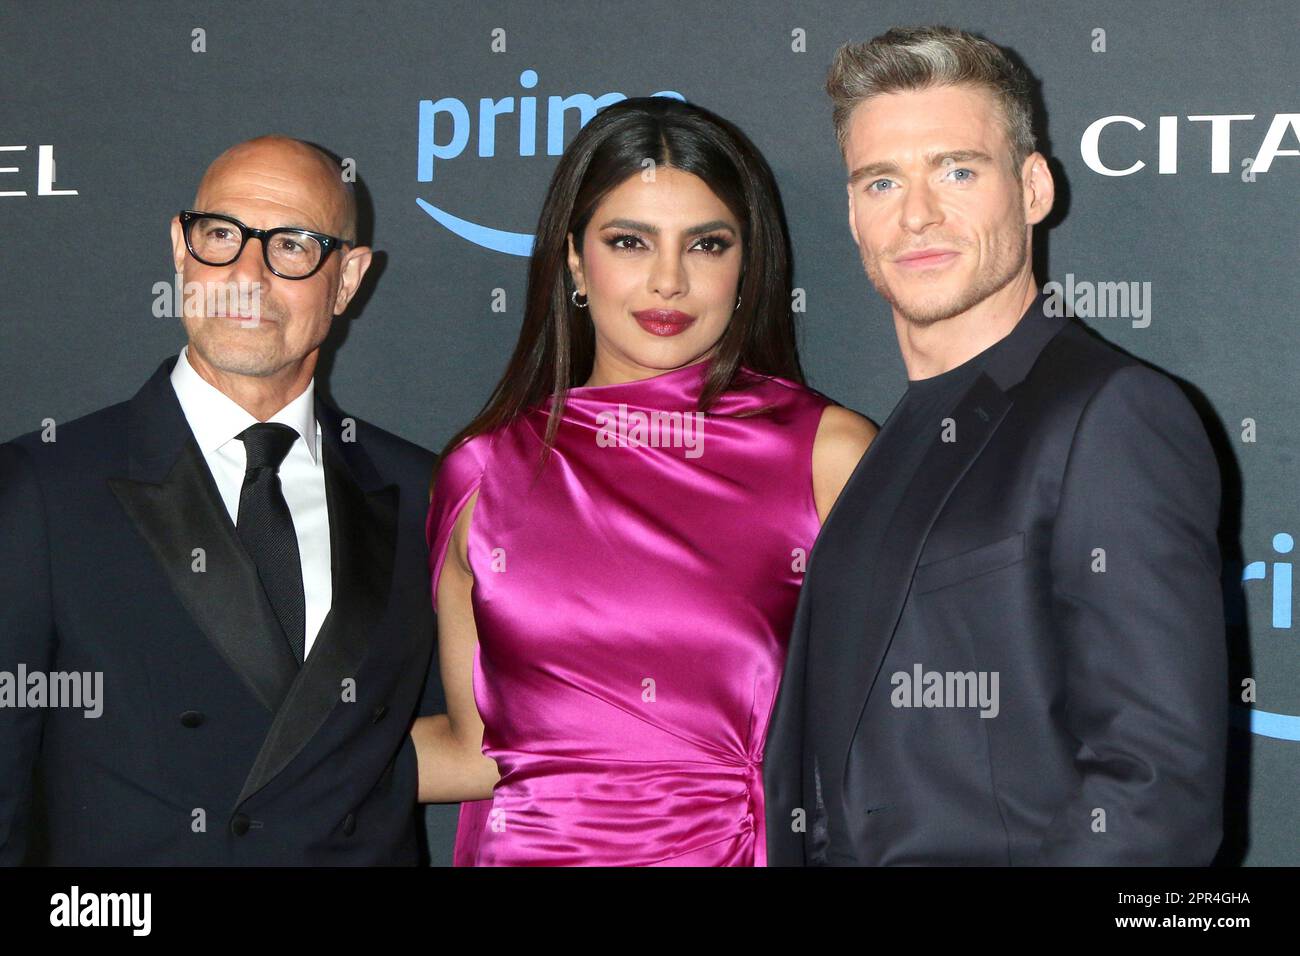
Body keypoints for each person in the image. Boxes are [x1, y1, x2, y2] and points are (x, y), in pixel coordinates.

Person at [764, 25, 1227, 866]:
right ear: (853, 213)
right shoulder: (885, 441)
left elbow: (1155, 791)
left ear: (1035, 187)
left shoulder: (1111, 413)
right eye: (881, 181)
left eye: (958, 170)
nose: (917, 214)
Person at [411, 96, 876, 865]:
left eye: (706, 244)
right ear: (573, 260)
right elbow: (475, 751)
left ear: (747, 263)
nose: (668, 281)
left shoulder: (826, 455)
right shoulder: (483, 471)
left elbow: (890, 743)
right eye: (629, 241)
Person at [0, 136, 440, 864]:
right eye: (220, 236)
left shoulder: (425, 493)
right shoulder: (41, 489)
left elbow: (447, 741)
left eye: (293, 245)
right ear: (180, 248)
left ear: (348, 278)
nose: (246, 276)